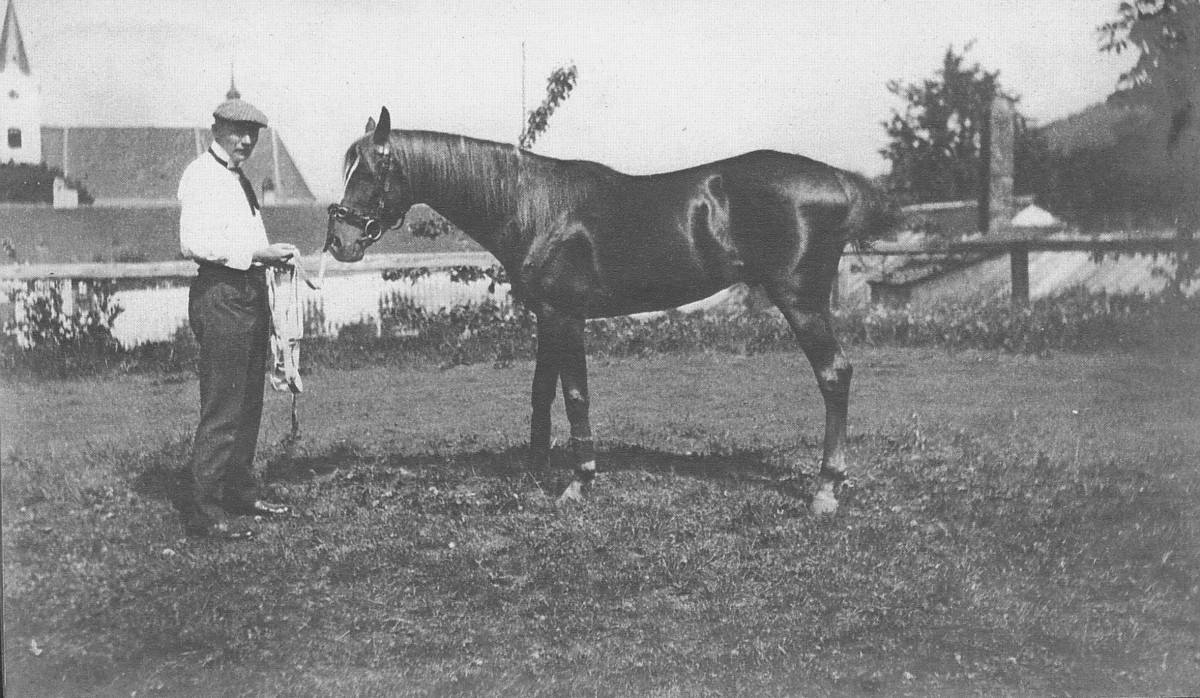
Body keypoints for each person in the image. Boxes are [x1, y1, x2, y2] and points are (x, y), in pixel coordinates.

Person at [177, 96, 299, 540]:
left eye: (253, 135)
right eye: (238, 132)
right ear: (217, 130)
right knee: (223, 406)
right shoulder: (201, 176)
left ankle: (240, 493)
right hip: (221, 294)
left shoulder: (239, 179)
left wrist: (272, 255)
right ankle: (204, 511)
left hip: (249, 294)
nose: (246, 141)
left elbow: (249, 238)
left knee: (249, 401)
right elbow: (193, 242)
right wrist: (253, 255)